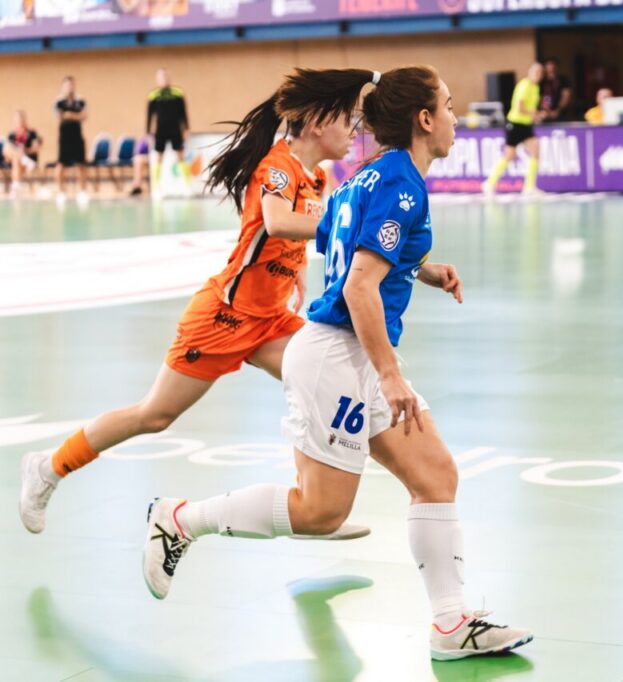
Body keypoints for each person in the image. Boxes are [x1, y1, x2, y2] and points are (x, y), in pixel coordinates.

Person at [141, 65, 534, 661]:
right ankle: (181, 519)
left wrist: (419, 268)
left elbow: (350, 243)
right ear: (424, 121)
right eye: (449, 106)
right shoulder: (403, 185)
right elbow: (357, 288)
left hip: (348, 353)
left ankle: (450, 624)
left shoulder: (368, 175)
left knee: (435, 476)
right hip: (337, 356)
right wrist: (390, 374)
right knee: (320, 511)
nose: (457, 117)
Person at [19, 68, 368, 543]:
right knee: (154, 415)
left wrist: (299, 269)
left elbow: (286, 235)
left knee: (321, 383)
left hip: (268, 319)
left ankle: (316, 508)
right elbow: (278, 220)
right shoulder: (277, 166)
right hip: (223, 317)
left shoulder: (318, 176)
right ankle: (48, 467)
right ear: (314, 123)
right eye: (347, 118)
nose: (354, 129)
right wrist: (344, 229)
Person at [482, 62, 544, 196]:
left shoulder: (536, 88)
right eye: (535, 72)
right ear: (530, 72)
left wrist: (536, 116)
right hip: (515, 124)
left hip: (526, 125)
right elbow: (520, 107)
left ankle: (529, 187)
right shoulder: (524, 85)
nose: (538, 75)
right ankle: (489, 183)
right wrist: (534, 114)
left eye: (540, 73)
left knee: (535, 150)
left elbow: (531, 108)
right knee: (510, 155)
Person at [131, 68, 190, 196]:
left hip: (175, 129)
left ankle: (187, 186)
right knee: (159, 157)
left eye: (165, 77)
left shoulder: (177, 93)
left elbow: (183, 113)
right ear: (157, 80)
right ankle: (157, 188)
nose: (163, 80)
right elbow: (149, 115)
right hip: (161, 130)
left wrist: (186, 128)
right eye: (160, 77)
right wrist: (148, 132)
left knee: (180, 156)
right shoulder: (153, 95)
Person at [54, 76, 88, 203]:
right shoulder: (59, 102)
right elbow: (60, 116)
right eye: (67, 85)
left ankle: (82, 191)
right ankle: (60, 192)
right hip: (64, 137)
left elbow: (84, 116)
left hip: (77, 136)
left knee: (81, 165)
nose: (70, 87)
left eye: (71, 85)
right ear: (63, 87)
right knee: (61, 164)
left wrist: (71, 115)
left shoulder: (80, 101)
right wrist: (75, 116)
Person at [5, 110, 42, 195]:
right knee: (10, 151)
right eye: (17, 120)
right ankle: (16, 185)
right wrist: (18, 153)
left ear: (25, 120)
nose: (19, 121)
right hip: (17, 160)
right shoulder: (12, 134)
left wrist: (24, 151)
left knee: (16, 159)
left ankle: (15, 186)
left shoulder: (32, 133)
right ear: (15, 121)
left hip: (29, 158)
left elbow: (35, 149)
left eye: (21, 119)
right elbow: (8, 153)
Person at [539, 57, 572, 122]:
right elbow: (538, 97)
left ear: (556, 66)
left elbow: (566, 96)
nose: (550, 67)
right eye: (548, 65)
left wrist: (558, 110)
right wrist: (544, 111)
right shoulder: (541, 81)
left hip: (561, 114)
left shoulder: (563, 80)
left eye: (552, 65)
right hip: (543, 114)